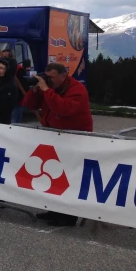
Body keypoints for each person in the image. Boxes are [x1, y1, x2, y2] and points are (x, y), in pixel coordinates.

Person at [23, 62, 93, 227]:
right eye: (48, 77)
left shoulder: (77, 90)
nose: (50, 81)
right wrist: (35, 90)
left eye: (52, 77)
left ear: (63, 76)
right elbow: (29, 105)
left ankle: (68, 217)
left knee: (69, 177)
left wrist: (47, 90)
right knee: (53, 174)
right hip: (54, 136)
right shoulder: (49, 87)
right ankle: (53, 210)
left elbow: (63, 109)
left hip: (74, 138)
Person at [2, 49, 28, 123]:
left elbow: (23, 86)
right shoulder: (2, 69)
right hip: (5, 101)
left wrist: (16, 99)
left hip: (16, 101)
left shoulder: (19, 69)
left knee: (14, 123)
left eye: (6, 57)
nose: (4, 60)